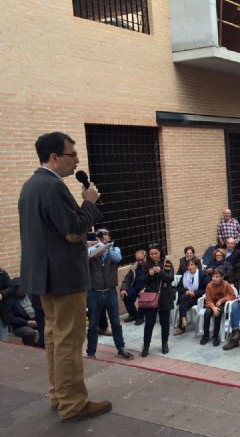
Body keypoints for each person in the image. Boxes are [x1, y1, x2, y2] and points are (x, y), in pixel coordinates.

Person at [18, 131, 110, 421]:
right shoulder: (54, 188)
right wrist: (90, 203)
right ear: (55, 157)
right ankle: (73, 404)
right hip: (64, 278)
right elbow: (73, 231)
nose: (77, 160)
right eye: (72, 155)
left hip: (43, 278)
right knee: (69, 340)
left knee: (55, 337)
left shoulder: (31, 185)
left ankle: (59, 394)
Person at [86, 228, 133, 360]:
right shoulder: (90, 250)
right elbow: (83, 258)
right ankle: (91, 352)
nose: (103, 236)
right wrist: (95, 246)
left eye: (105, 234)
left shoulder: (114, 249)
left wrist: (106, 246)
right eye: (100, 234)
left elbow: (117, 258)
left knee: (116, 322)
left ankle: (121, 348)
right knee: (93, 323)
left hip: (110, 291)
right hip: (94, 292)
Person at [140, 244, 175, 357]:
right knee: (149, 323)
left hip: (165, 296)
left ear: (160, 252)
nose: (154, 256)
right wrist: (149, 275)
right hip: (151, 297)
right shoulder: (146, 265)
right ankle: (146, 346)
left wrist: (160, 272)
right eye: (151, 254)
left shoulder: (167, 263)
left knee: (164, 323)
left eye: (156, 253)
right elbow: (142, 281)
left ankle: (164, 344)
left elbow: (170, 279)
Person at [200, 268, 236, 346]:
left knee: (218, 314)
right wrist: (213, 307)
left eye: (217, 277)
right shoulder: (209, 285)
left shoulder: (226, 284)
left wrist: (222, 300)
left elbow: (233, 296)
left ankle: (215, 337)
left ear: (222, 277)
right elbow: (208, 299)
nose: (214, 279)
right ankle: (205, 335)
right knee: (207, 313)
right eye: (213, 276)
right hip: (211, 304)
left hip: (222, 305)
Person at [174, 259, 210, 336]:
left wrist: (195, 293)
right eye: (188, 265)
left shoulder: (203, 275)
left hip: (198, 298)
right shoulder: (185, 275)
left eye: (192, 265)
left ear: (196, 266)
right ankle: (183, 319)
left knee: (183, 299)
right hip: (187, 297)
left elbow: (208, 289)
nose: (190, 267)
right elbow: (179, 287)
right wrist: (186, 291)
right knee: (184, 297)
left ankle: (182, 325)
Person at [120, 250, 147, 325]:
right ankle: (133, 315)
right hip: (136, 287)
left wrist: (145, 289)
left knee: (143, 296)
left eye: (141, 260)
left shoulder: (150, 265)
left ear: (145, 256)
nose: (140, 262)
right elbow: (127, 278)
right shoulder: (135, 266)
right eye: (138, 260)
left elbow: (153, 280)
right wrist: (123, 289)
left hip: (147, 288)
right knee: (125, 295)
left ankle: (140, 317)